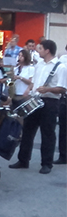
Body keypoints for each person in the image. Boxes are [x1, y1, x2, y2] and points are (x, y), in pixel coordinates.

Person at [10, 40, 67, 174]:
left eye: (40, 49)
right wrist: (29, 93)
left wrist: (48, 89)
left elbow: (63, 89)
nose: (38, 51)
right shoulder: (39, 65)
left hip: (50, 102)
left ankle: (46, 163)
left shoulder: (60, 67)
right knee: (28, 130)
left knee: (47, 133)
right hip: (35, 99)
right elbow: (34, 83)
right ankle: (23, 160)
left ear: (47, 50)